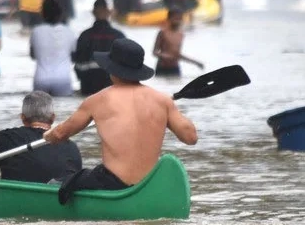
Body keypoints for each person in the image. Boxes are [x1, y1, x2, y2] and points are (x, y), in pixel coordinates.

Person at [43, 38, 198, 203]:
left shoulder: (97, 100)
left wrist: (48, 135)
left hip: (112, 183)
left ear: (112, 69)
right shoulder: (162, 100)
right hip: (148, 184)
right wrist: (168, 108)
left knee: (62, 182)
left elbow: (60, 134)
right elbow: (191, 138)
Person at [73, 0, 125, 96]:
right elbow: (125, 67)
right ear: (109, 12)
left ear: (93, 12)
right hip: (112, 88)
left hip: (88, 87)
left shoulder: (84, 35)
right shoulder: (118, 36)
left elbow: (77, 65)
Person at [30, 0, 76, 97]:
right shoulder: (69, 32)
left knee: (40, 110)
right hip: (63, 80)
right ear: (60, 14)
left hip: (41, 79)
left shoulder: (36, 31)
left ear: (42, 14)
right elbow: (74, 57)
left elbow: (32, 55)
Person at [153, 10, 204, 77]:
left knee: (177, 85)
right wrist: (165, 56)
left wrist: (196, 63)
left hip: (175, 68)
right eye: (176, 18)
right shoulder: (162, 32)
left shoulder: (180, 34)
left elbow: (178, 55)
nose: (178, 21)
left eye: (180, 19)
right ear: (169, 19)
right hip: (162, 67)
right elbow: (155, 52)